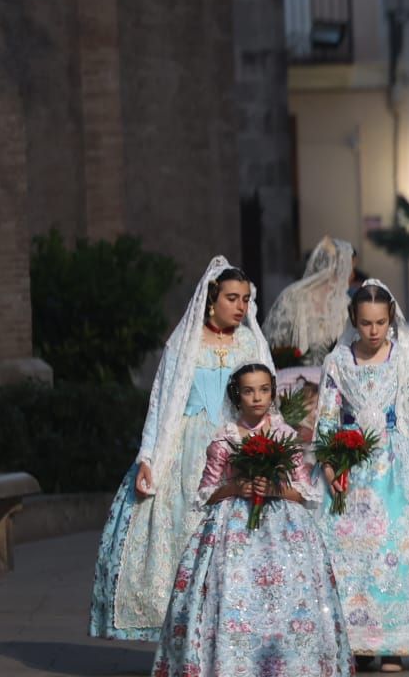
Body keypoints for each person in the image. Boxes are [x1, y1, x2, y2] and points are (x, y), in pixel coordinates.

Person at [149, 364, 356, 677]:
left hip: (283, 532)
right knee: (234, 596)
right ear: (237, 395)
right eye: (248, 391)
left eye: (263, 390)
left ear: (273, 392)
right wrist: (235, 487)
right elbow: (204, 493)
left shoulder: (285, 436)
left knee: (284, 600)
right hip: (233, 533)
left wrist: (276, 488)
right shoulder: (225, 439)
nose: (257, 397)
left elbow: (305, 491)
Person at [90, 259, 273, 641]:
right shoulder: (184, 343)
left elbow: (267, 403)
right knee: (181, 532)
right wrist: (148, 458)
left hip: (235, 448)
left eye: (245, 299)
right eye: (231, 298)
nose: (240, 306)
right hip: (186, 450)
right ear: (212, 300)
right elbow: (161, 402)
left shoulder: (251, 342)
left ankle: (229, 623)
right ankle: (183, 627)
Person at [314, 282, 409, 673]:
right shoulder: (338, 363)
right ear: (353, 320)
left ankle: (394, 643)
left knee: (397, 549)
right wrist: (331, 466)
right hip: (352, 464)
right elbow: (327, 421)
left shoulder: (404, 358)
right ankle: (355, 640)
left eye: (380, 323)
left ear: (390, 320)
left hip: (399, 465)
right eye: (366, 323)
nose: (373, 331)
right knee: (352, 552)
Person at [262, 236, 356, 367]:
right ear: (335, 267)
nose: (352, 275)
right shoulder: (293, 297)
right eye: (349, 268)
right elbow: (275, 342)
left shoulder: (345, 303)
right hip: (295, 377)